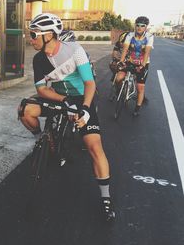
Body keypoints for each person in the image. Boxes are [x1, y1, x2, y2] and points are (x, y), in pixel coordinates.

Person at [18, 13, 116, 221]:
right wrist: (63, 100)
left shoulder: (75, 51)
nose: (30, 38)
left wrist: (86, 109)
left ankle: (106, 199)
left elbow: (90, 84)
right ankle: (43, 140)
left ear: (49, 35)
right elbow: (42, 89)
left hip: (83, 98)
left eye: (34, 34)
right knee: (25, 110)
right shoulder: (38, 59)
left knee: (94, 146)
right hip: (60, 97)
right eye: (30, 34)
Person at [117, 16, 153, 116]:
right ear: (135, 26)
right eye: (137, 25)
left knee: (140, 87)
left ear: (146, 27)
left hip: (142, 63)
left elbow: (146, 52)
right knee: (119, 78)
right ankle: (120, 93)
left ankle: (137, 108)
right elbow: (125, 49)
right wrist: (121, 61)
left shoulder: (149, 37)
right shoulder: (130, 35)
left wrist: (142, 65)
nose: (139, 27)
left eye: (142, 26)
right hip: (130, 61)